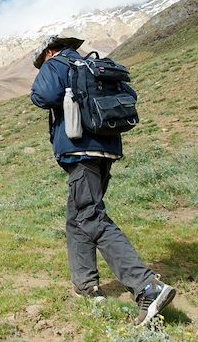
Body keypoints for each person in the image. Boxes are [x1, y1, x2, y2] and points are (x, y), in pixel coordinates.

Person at [30, 35, 176, 326]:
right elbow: (129, 96)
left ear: (49, 51)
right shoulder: (95, 64)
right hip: (106, 148)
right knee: (78, 217)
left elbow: (42, 97)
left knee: (91, 217)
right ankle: (85, 285)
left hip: (79, 150)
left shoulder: (57, 63)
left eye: (40, 62)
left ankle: (147, 286)